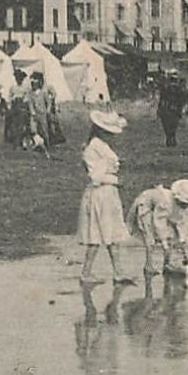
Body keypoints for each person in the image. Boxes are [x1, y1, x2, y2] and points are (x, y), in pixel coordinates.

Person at [78, 110, 135, 285]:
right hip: (100, 193)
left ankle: (118, 272)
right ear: (101, 131)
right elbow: (96, 177)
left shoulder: (101, 146)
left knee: (112, 233)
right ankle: (86, 273)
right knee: (96, 234)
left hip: (109, 193)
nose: (113, 137)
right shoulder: (93, 148)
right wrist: (115, 179)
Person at [129, 178, 188, 278]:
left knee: (173, 237)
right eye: (182, 203)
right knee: (149, 236)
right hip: (146, 204)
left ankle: (167, 264)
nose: (184, 206)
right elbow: (159, 223)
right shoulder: (165, 201)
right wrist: (164, 242)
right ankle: (148, 266)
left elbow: (182, 224)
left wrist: (183, 243)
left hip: (162, 210)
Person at [157, 74, 184, 147]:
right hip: (174, 109)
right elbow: (181, 101)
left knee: (166, 125)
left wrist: (159, 110)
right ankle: (172, 138)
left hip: (167, 109)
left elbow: (161, 100)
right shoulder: (179, 89)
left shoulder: (166, 89)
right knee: (174, 125)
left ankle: (169, 138)